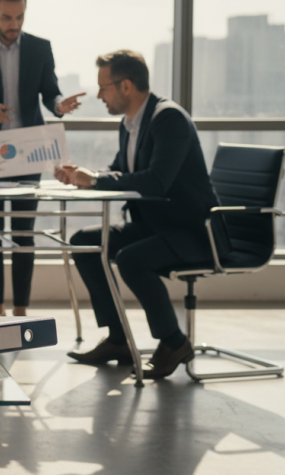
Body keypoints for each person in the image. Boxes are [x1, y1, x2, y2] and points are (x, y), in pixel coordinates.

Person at [56, 50, 225, 380]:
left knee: (132, 259)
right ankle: (118, 339)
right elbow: (122, 170)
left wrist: (98, 180)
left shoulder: (168, 119)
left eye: (104, 87)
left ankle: (174, 343)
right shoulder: (130, 123)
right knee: (84, 242)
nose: (100, 95)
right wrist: (85, 174)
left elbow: (157, 180)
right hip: (155, 224)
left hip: (190, 231)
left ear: (126, 86)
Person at [0, 0, 85, 316]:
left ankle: (21, 311)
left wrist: (60, 105)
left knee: (23, 235)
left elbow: (50, 93)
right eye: (6, 17)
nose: (13, 25)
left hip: (28, 154)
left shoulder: (40, 49)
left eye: (19, 17)